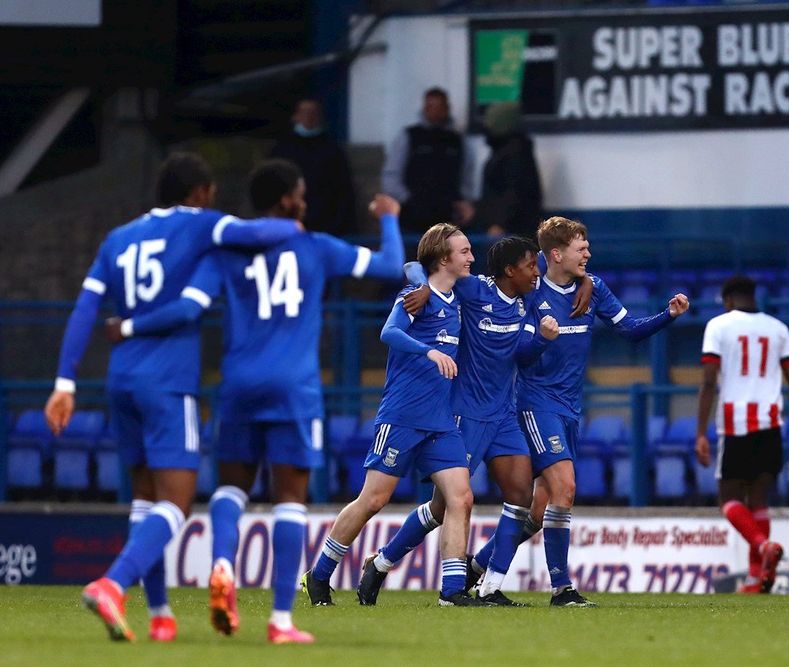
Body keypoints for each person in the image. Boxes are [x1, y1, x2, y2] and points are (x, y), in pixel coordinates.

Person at [109, 159, 404, 642]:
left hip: (239, 384)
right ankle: (280, 620)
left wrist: (129, 327)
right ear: (288, 198)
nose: (305, 199)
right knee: (289, 499)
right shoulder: (315, 247)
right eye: (301, 191)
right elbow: (390, 265)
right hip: (293, 387)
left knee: (230, 489)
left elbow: (189, 306)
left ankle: (223, 563)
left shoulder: (228, 254)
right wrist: (389, 216)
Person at [43, 152, 303, 642]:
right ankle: (112, 585)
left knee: (144, 499)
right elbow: (263, 234)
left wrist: (64, 382)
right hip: (167, 382)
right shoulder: (202, 224)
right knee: (177, 502)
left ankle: (161, 616)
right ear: (201, 192)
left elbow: (85, 309)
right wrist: (297, 225)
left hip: (120, 380)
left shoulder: (117, 238)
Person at [343, 236, 590, 607]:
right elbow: (422, 268)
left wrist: (545, 335)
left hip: (504, 414)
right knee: (443, 508)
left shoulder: (528, 298)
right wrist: (423, 287)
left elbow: (525, 347)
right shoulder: (473, 290)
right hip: (464, 414)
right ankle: (382, 561)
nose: (536, 273)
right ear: (510, 270)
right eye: (529, 267)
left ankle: (489, 586)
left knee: (521, 496)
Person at [481, 215, 689, 606]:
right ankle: (561, 589)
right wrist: (543, 338)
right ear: (556, 253)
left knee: (538, 511)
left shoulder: (593, 289)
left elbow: (629, 330)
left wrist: (669, 315)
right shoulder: (531, 292)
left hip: (569, 409)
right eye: (581, 248)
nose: (589, 253)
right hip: (534, 403)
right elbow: (521, 358)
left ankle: (482, 572)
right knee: (566, 487)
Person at [302, 223, 484, 606]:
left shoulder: (455, 296)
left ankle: (451, 591)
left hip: (440, 420)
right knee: (372, 500)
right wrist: (428, 351)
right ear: (443, 257)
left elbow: (411, 265)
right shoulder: (414, 297)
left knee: (461, 497)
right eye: (464, 251)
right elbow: (389, 333)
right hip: (401, 415)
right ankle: (319, 575)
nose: (471, 257)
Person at [695, 275, 789, 594]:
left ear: (728, 300)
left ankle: (762, 547)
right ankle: (756, 579)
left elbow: (708, 382)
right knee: (758, 499)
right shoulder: (778, 329)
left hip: (735, 422)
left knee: (729, 499)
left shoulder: (718, 326)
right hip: (770, 422)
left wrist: (700, 432)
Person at [381, 87, 476, 234]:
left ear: (447, 108)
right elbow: (391, 175)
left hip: (448, 218)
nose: (435, 112)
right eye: (431, 107)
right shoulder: (409, 137)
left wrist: (463, 202)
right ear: (424, 108)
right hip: (413, 219)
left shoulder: (457, 141)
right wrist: (409, 200)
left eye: (439, 107)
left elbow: (466, 177)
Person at [270, 98, 358, 236]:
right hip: (287, 225)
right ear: (295, 116)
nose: (309, 117)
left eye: (313, 113)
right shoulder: (282, 150)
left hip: (325, 225)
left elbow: (344, 192)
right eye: (304, 112)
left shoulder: (332, 150)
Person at [471, 102, 542, 238]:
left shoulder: (515, 154)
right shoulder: (508, 151)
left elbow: (514, 193)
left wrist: (499, 223)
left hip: (510, 231)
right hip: (508, 230)